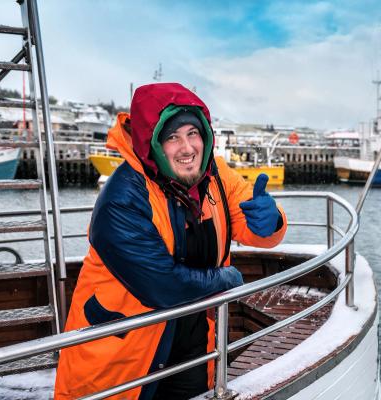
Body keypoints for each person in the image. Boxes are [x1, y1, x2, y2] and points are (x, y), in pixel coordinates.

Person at [54, 83, 287, 399]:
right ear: (152, 145)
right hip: (122, 354)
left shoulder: (215, 175)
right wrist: (226, 278)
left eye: (193, 133)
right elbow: (163, 286)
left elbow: (251, 222)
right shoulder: (123, 198)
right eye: (172, 137)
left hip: (192, 343)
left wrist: (269, 221)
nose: (188, 147)